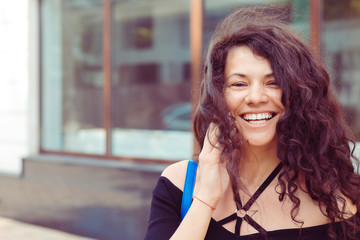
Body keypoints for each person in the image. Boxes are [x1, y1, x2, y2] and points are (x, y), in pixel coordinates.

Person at [144, 6, 360, 240]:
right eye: (239, 84)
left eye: (273, 82)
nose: (256, 97)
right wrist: (205, 198)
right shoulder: (178, 183)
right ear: (219, 94)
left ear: (300, 94)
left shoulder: (339, 195)